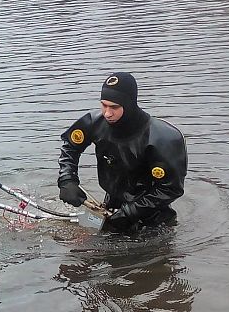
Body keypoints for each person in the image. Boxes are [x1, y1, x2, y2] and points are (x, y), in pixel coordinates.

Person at [57, 72, 187, 232]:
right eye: (103, 105)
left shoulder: (163, 138)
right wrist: (67, 179)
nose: (107, 113)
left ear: (130, 104)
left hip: (153, 218)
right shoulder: (94, 123)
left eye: (114, 107)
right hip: (112, 206)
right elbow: (70, 146)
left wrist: (131, 212)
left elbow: (171, 188)